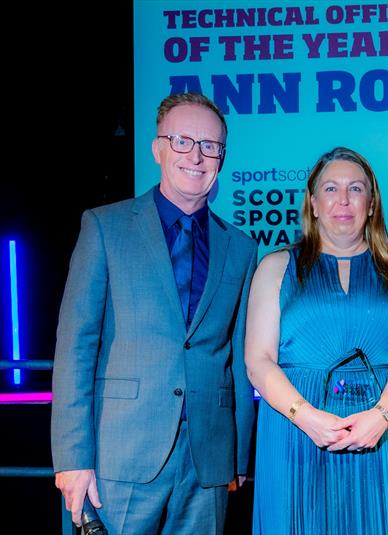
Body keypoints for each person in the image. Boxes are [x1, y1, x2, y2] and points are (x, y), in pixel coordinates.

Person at [51, 93, 257, 533]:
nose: (196, 156)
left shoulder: (241, 248)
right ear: (157, 148)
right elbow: (75, 347)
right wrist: (72, 459)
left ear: (222, 157)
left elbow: (237, 359)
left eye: (210, 145)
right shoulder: (105, 227)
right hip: (118, 458)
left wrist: (236, 457)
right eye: (183, 141)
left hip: (207, 464)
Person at [245, 147, 388, 534]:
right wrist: (307, 418)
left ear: (372, 203)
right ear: (312, 203)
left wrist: (382, 417)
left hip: (380, 434)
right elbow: (258, 361)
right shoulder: (275, 267)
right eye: (330, 188)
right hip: (295, 435)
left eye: (355, 188)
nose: (343, 200)